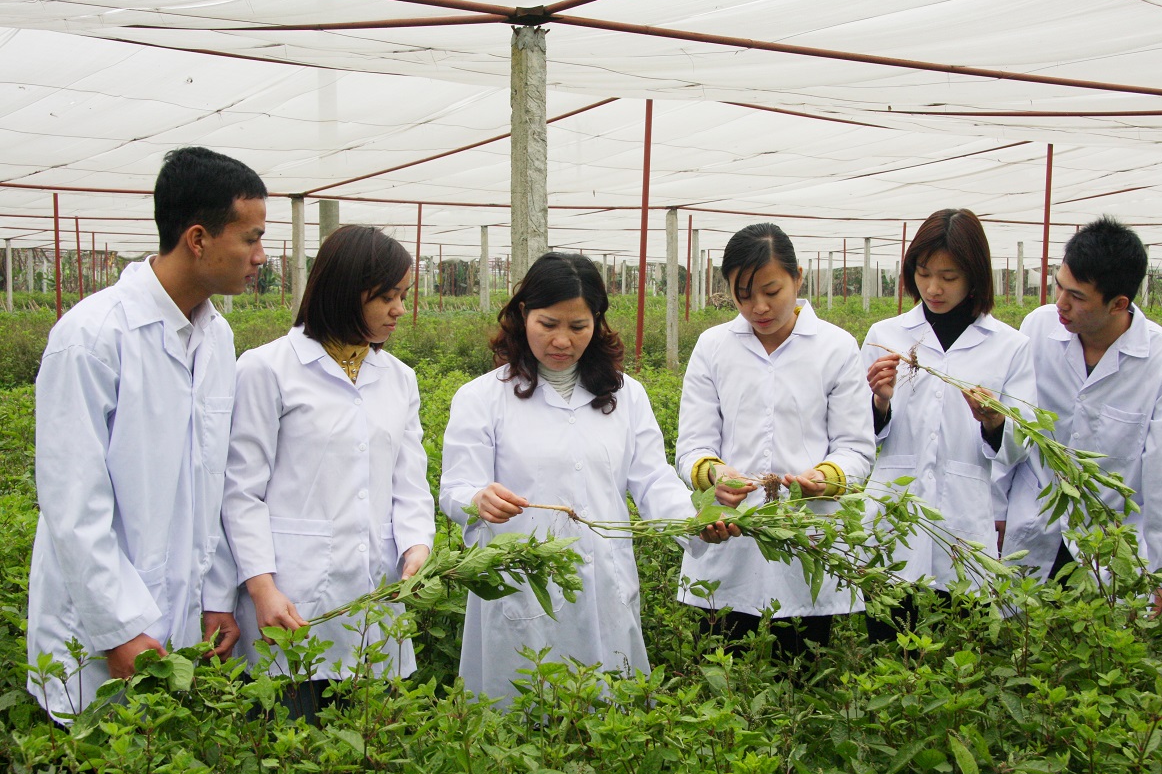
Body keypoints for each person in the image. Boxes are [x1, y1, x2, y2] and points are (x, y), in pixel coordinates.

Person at [27, 147, 267, 721]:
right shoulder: (91, 337)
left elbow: (208, 481)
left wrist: (215, 597)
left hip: (181, 621)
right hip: (98, 633)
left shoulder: (217, 339)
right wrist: (120, 629)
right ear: (198, 238)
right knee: (100, 755)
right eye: (251, 238)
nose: (262, 256)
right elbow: (73, 503)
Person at [439, 252, 721, 705]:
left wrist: (693, 523)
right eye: (548, 324)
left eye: (578, 326)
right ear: (522, 314)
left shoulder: (626, 396)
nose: (562, 341)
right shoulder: (481, 398)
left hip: (603, 583)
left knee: (606, 726)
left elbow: (652, 480)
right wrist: (477, 499)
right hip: (519, 585)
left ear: (598, 323)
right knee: (518, 726)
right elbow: (454, 487)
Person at [222, 225, 434, 718]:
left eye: (403, 295)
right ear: (342, 290)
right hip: (287, 599)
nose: (400, 308)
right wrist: (262, 588)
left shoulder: (399, 379)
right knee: (288, 742)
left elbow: (410, 483)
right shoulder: (267, 369)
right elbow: (240, 492)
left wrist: (416, 545)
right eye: (386, 296)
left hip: (373, 594)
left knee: (368, 748)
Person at [675, 222, 875, 661]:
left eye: (771, 291)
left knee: (803, 671)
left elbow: (857, 447)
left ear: (798, 278)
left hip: (808, 536)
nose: (758, 307)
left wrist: (825, 477)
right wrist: (713, 474)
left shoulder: (836, 348)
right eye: (743, 294)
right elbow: (691, 444)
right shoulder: (713, 347)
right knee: (725, 670)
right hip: (731, 534)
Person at [1003, 217, 1162, 617]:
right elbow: (1017, 427)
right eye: (1059, 285)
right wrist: (995, 509)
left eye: (1076, 296)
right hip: (1034, 521)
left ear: (1119, 304)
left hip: (1111, 541)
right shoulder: (1038, 329)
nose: (1060, 303)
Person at [859, 209, 1035, 640]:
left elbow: (1022, 444)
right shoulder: (886, 335)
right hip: (892, 517)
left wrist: (995, 422)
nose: (933, 288)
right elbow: (858, 436)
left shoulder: (1010, 347)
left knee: (958, 651)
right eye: (923, 273)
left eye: (949, 276)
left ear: (975, 277)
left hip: (965, 520)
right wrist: (879, 402)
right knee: (889, 644)